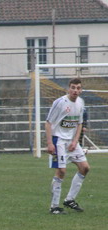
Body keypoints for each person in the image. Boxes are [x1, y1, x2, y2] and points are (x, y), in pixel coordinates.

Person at [46, 77, 89, 214]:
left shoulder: (81, 103)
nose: (75, 91)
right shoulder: (60, 103)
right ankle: (54, 207)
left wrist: (75, 141)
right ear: (68, 89)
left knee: (84, 168)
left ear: (81, 90)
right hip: (58, 140)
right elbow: (48, 123)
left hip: (71, 142)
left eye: (78, 88)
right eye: (73, 88)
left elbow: (79, 123)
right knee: (61, 171)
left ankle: (69, 199)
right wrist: (49, 143)